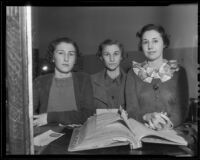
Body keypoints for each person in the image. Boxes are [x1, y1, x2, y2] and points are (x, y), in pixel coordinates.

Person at [125, 24, 189, 130]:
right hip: (142, 132)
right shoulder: (132, 73)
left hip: (171, 133)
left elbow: (182, 109)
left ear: (164, 43)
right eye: (145, 42)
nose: (150, 46)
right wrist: (146, 117)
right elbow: (131, 111)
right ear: (141, 45)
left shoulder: (179, 72)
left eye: (155, 41)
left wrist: (169, 124)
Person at [33, 37, 94, 127]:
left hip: (77, 134)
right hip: (46, 134)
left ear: (75, 59)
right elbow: (29, 114)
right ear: (52, 57)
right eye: (61, 53)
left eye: (71, 54)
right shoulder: (40, 81)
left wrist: (51, 117)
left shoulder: (84, 79)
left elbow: (87, 114)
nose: (66, 58)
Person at [91, 39, 127, 110]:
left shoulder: (131, 81)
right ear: (101, 57)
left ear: (121, 56)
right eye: (107, 54)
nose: (112, 59)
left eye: (116, 54)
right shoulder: (90, 81)